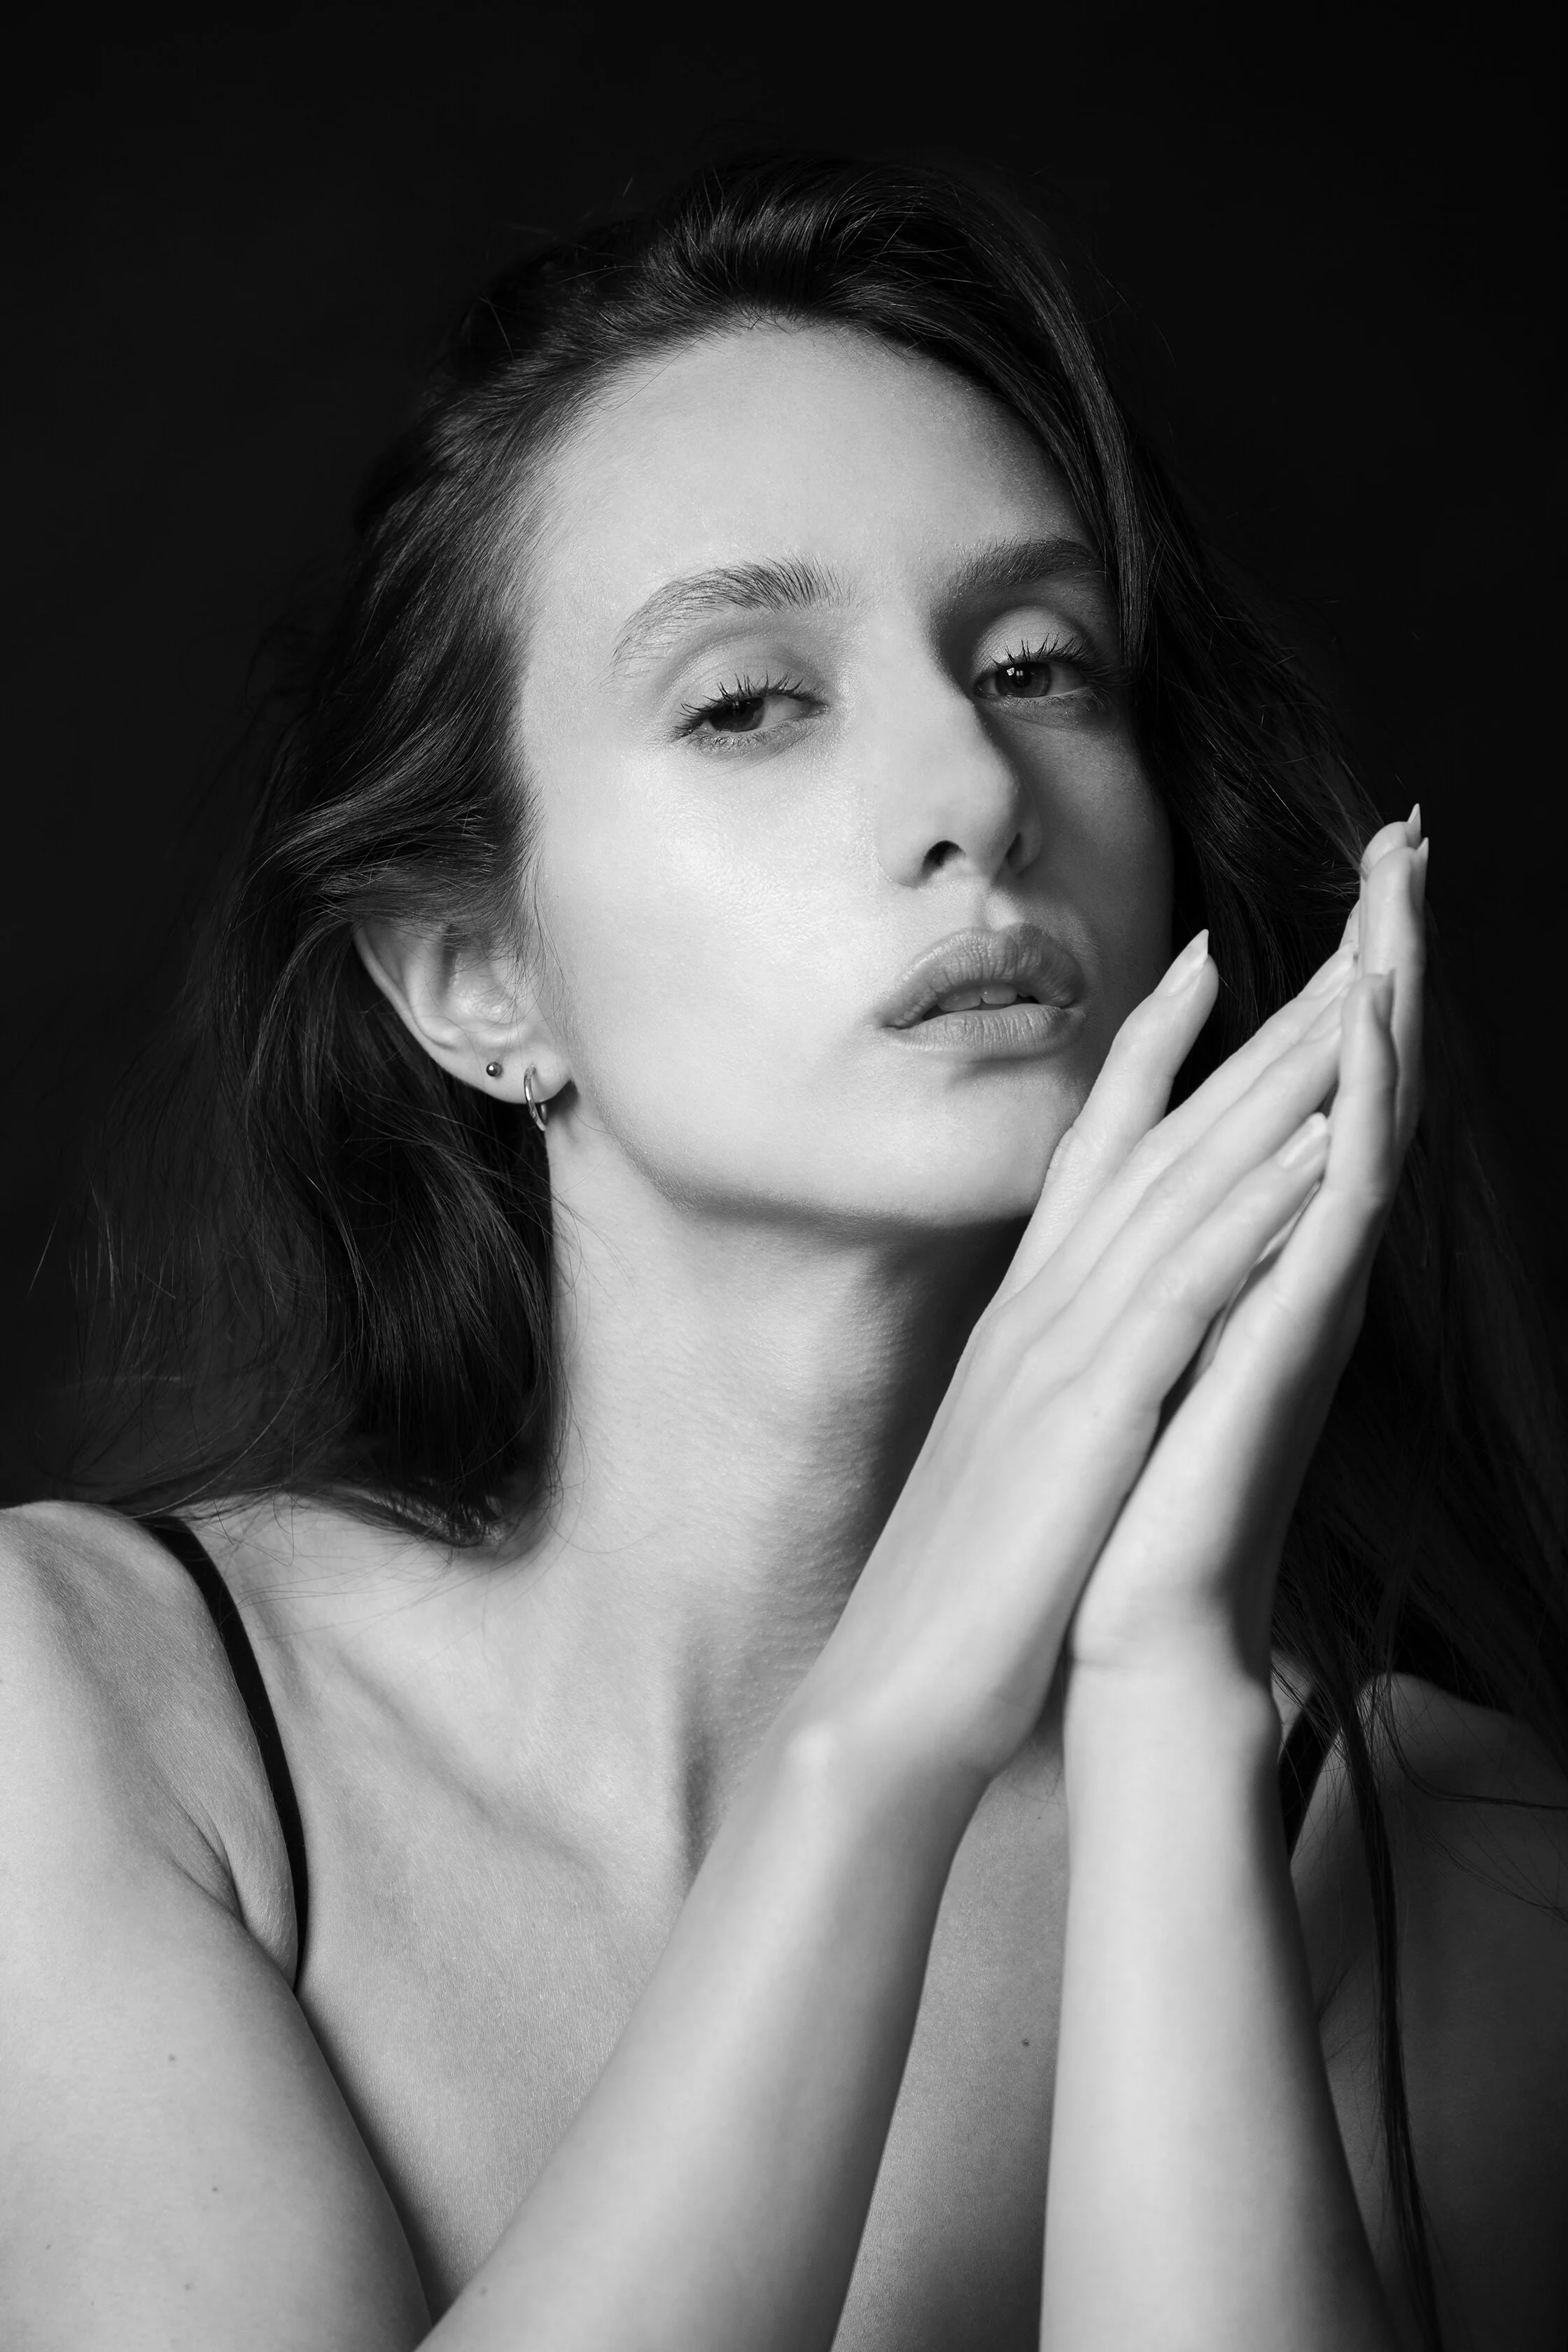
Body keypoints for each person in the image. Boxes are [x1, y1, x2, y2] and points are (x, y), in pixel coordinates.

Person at [4, 152, 1566, 2352]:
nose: (975, 785)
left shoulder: (1452, 1849)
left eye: (1041, 664)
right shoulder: (84, 1706)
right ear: (473, 977)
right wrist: (886, 1733)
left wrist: (1160, 1707)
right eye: (752, 699)